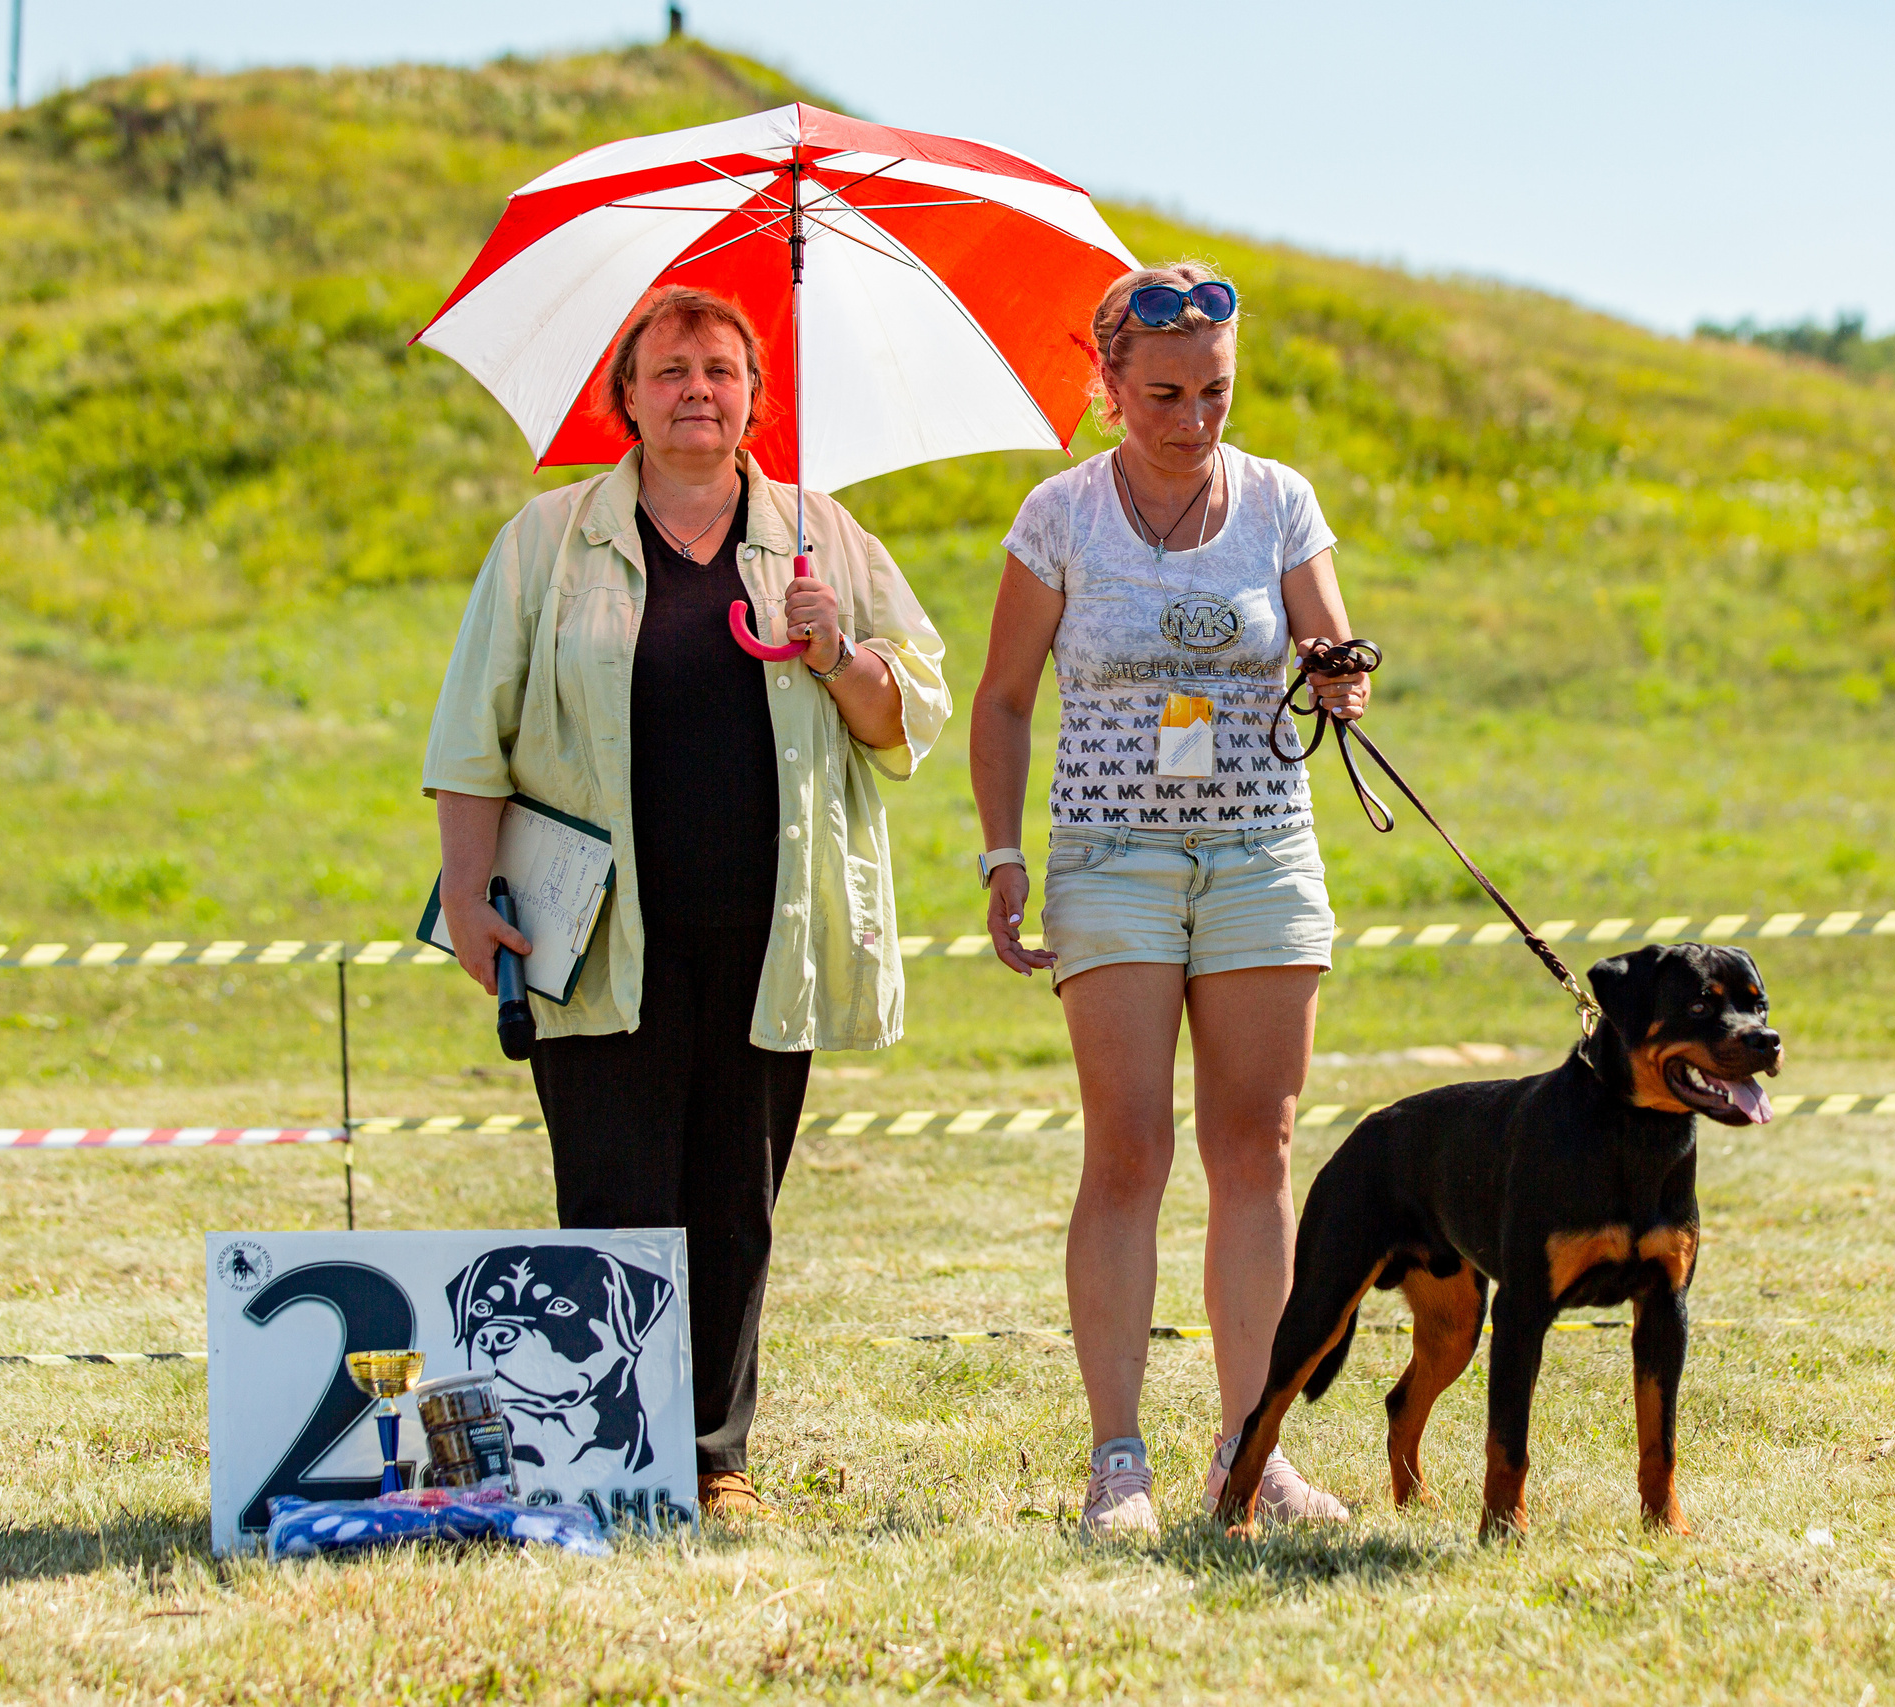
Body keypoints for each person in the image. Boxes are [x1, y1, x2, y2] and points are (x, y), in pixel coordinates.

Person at [423, 285, 950, 1515]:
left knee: (732, 1202)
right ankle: (605, 1463)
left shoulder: (823, 537)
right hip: (598, 933)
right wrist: (465, 889)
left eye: (721, 369)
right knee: (611, 1195)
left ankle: (714, 1463)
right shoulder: (546, 541)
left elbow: (901, 719)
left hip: (772, 935)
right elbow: (470, 734)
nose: (697, 390)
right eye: (669, 371)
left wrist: (837, 652)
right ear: (626, 398)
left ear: (756, 396)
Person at [969, 262, 1373, 1537]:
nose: (1193, 421)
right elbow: (1003, 701)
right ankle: (1118, 1464)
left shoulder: (1279, 500)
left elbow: (1331, 644)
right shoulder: (1058, 517)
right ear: (1107, 387)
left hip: (1258, 850)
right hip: (1113, 858)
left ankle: (1247, 1457)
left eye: (1214, 392)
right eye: (1162, 396)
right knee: (1128, 1152)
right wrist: (1001, 855)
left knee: (1254, 1154)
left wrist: (1342, 680)